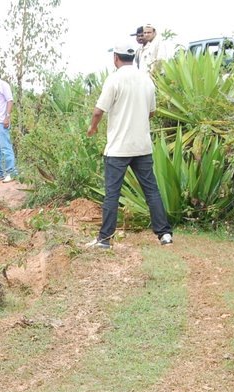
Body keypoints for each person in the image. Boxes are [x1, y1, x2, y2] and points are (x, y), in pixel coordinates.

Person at [86, 42, 173, 249]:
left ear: (116, 57)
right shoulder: (146, 80)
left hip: (118, 149)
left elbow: (99, 110)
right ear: (132, 58)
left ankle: (105, 239)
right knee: (151, 191)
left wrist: (93, 127)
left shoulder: (114, 79)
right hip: (142, 146)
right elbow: (151, 112)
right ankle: (165, 235)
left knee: (112, 194)